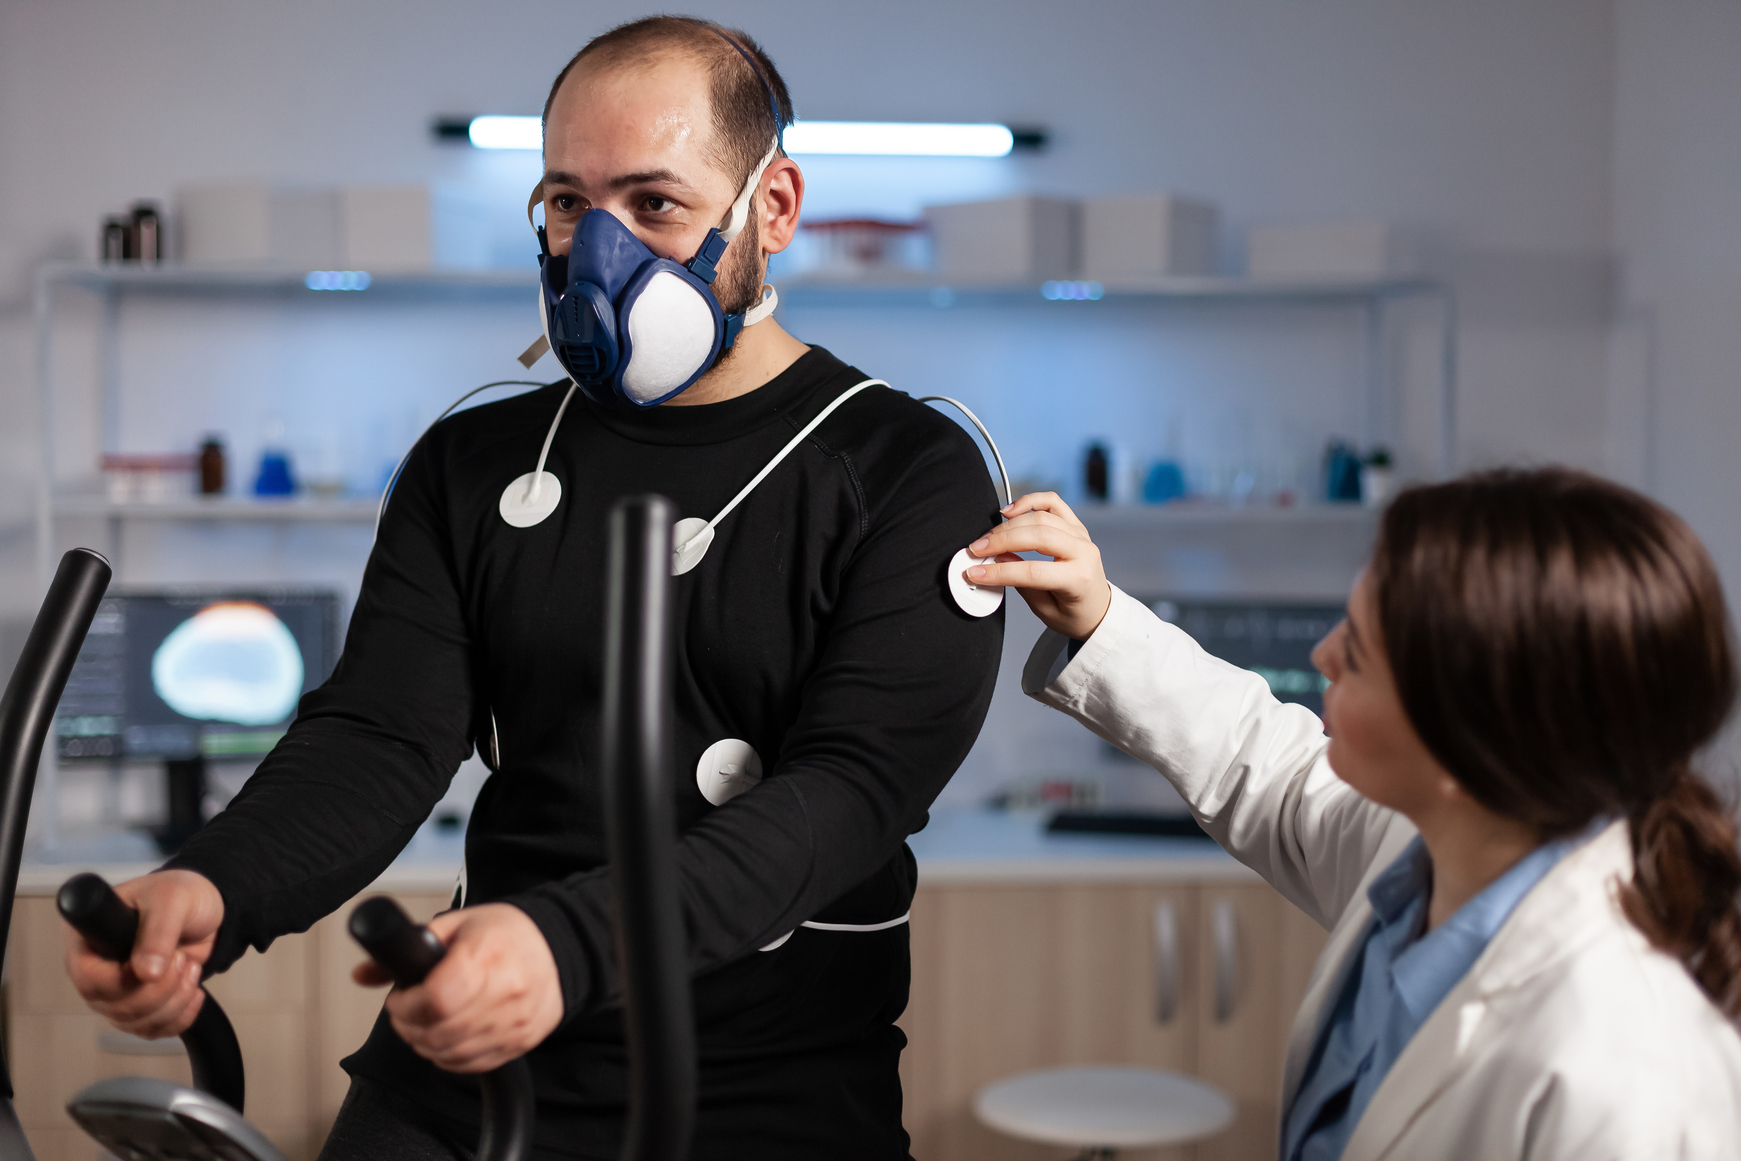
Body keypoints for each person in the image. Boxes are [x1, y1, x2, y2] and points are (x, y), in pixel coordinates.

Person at [63, 16, 1003, 1160]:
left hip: (765, 1087)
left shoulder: (905, 467)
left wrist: (564, 944)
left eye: (653, 204)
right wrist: (214, 887)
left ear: (774, 206)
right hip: (468, 1066)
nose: (597, 251)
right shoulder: (475, 459)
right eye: (567, 203)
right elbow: (380, 736)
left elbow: (850, 795)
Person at [963, 468, 1741, 1159]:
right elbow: (1263, 763)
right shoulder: (1427, 855)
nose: (1322, 654)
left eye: (1359, 651)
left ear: (1470, 738)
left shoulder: (1632, 1078)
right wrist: (1099, 615)